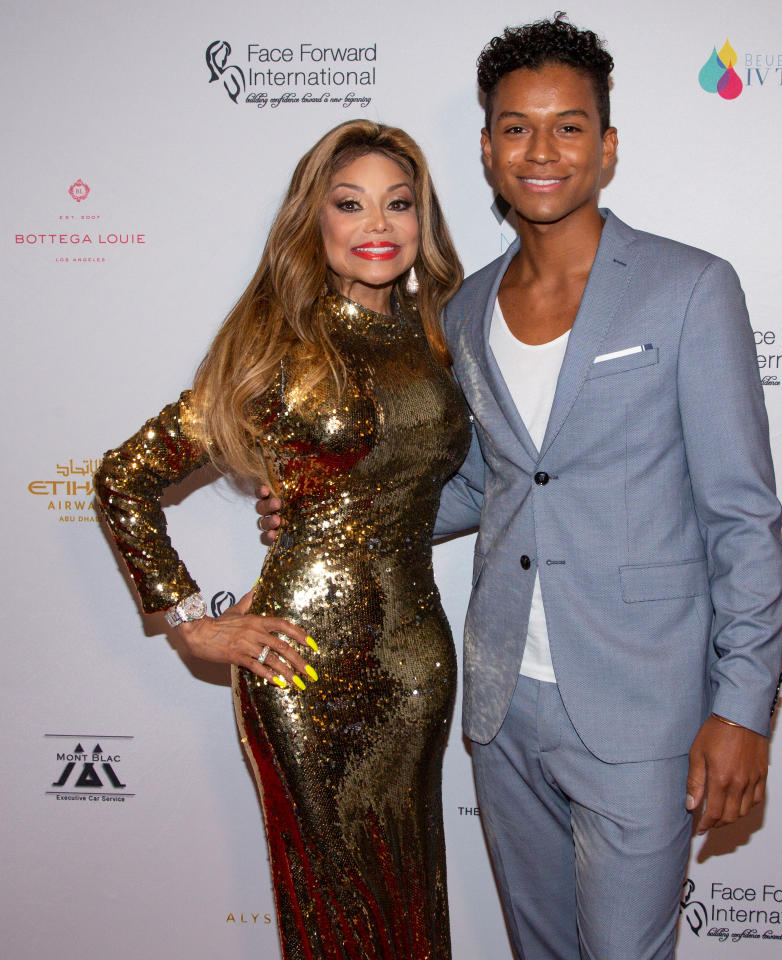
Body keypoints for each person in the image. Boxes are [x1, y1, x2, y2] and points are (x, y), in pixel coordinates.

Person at [258, 15, 782, 960]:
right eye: (516, 128)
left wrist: (743, 707)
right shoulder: (461, 309)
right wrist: (335, 512)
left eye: (568, 126)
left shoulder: (690, 288)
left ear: (607, 146)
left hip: (642, 702)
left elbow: (743, 518)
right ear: (488, 149)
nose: (541, 151)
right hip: (503, 706)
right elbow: (481, 486)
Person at [95, 119, 470, 960]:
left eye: (399, 204)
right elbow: (125, 478)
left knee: (412, 905)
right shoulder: (279, 347)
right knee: (333, 914)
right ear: (316, 222)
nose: (379, 225)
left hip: (416, 662)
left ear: (423, 221)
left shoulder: (437, 337)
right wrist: (191, 620)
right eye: (351, 204)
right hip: (302, 665)